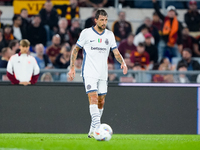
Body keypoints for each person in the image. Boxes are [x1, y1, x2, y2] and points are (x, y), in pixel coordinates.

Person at [68, 9, 127, 138]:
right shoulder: (86, 33)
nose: (104, 22)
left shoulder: (109, 35)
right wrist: (72, 68)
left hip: (102, 73)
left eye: (106, 20)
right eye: (101, 20)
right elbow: (75, 50)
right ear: (96, 20)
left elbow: (115, 52)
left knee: (101, 101)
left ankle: (92, 129)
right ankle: (98, 127)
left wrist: (123, 62)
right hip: (89, 72)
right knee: (93, 97)